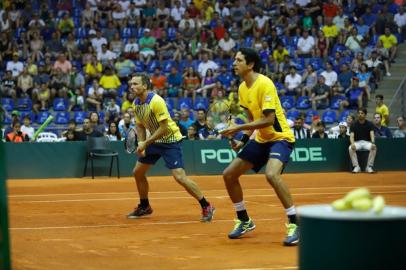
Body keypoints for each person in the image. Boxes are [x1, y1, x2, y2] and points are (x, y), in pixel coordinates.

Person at [220, 48, 298, 245]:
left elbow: (269, 119)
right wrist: (243, 140)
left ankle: (294, 223)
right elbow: (252, 119)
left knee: (271, 174)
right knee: (229, 174)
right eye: (234, 60)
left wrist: (239, 127)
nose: (234, 63)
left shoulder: (265, 84)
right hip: (261, 140)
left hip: (281, 138)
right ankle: (244, 220)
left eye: (238, 60)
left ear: (251, 64)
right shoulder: (242, 88)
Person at [127, 73, 215, 222]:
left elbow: (164, 128)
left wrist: (145, 143)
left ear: (145, 86)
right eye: (131, 84)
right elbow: (140, 125)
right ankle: (145, 206)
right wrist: (142, 144)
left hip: (170, 141)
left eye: (135, 84)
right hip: (153, 141)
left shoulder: (156, 101)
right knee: (138, 172)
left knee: (179, 177)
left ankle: (206, 205)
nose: (132, 87)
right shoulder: (136, 104)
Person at [349, 108, 377, 174]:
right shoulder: (353, 124)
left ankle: (369, 167)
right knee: (350, 148)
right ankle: (356, 166)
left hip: (367, 142)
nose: (360, 115)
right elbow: (351, 136)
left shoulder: (370, 124)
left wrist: (373, 143)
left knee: (374, 147)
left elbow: (372, 134)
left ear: (365, 115)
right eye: (359, 113)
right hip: (357, 142)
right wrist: (352, 143)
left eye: (362, 113)